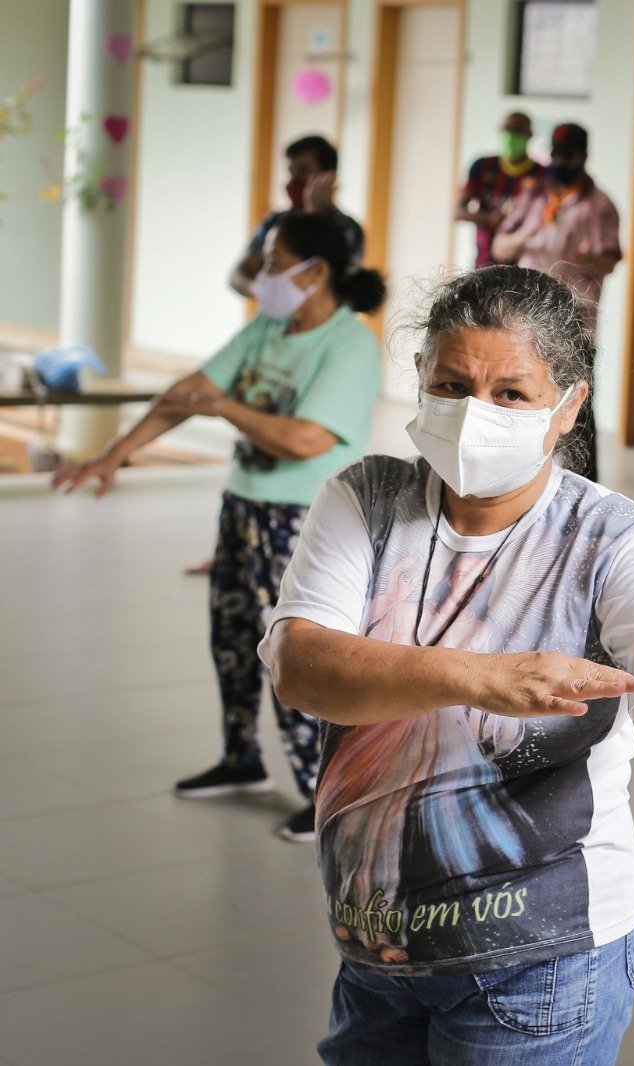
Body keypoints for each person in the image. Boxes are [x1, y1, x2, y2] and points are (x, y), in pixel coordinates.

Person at [255, 266, 634, 1063]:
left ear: (567, 410)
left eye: (511, 394)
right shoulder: (366, 500)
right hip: (378, 948)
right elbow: (301, 666)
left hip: (539, 966)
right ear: (420, 383)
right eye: (451, 385)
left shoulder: (608, 539)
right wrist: (488, 677)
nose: (473, 414)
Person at [53, 213, 386, 842]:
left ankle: (324, 792)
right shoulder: (266, 329)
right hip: (243, 507)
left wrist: (227, 406)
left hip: (303, 518)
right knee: (232, 636)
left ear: (313, 273)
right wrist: (114, 454)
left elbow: (304, 438)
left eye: (273, 260)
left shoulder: (349, 344)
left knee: (298, 651)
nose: (261, 275)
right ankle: (241, 758)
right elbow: (189, 393)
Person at [494, 122, 620, 484]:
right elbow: (501, 248)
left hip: (575, 325)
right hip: (520, 322)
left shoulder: (600, 205)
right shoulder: (532, 196)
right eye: (556, 153)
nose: (560, 160)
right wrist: (525, 234)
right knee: (516, 402)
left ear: (583, 155)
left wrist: (586, 259)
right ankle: (512, 479)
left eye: (568, 154)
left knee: (576, 415)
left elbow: (611, 261)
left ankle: (582, 490)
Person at [230, 136, 364, 298]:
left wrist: (315, 215)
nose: (293, 181)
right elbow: (239, 276)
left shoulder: (347, 230)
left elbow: (339, 290)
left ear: (327, 177)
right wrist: (261, 290)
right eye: (290, 172)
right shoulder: (275, 223)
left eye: (302, 171)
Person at [456, 111, 541, 269]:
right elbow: (458, 211)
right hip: (484, 261)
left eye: (517, 131)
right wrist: (488, 218)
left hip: (525, 265)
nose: (510, 136)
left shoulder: (540, 175)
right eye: (507, 130)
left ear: (529, 134)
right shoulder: (483, 167)